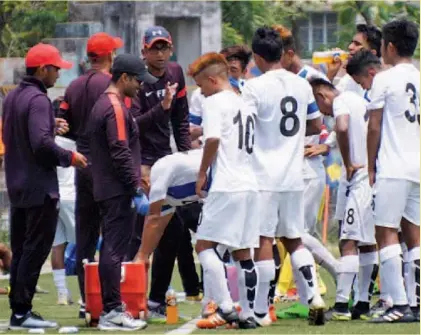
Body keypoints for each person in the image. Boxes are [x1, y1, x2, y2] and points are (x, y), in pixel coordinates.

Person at [242, 27, 325, 326]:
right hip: (294, 174)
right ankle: (313, 294)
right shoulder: (301, 85)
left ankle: (262, 310)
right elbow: (316, 124)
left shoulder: (253, 87)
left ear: (256, 56)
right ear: (281, 53)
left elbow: (246, 130)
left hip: (264, 175)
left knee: (263, 239)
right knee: (293, 238)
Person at [2, 43, 87, 330]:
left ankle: (18, 310)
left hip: (17, 184)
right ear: (42, 69)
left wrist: (50, 125)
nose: (57, 74)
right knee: (36, 250)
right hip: (40, 186)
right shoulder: (38, 99)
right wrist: (69, 157)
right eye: (54, 69)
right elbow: (40, 145)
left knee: (22, 249)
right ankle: (22, 310)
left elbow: (24, 135)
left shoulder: (13, 97)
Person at [188, 52, 259, 329]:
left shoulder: (215, 102)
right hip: (250, 185)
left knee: (204, 245)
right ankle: (249, 314)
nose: (201, 92)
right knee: (243, 253)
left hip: (227, 185)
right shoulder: (243, 103)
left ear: (213, 79)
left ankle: (227, 306)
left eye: (201, 85)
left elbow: (213, 138)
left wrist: (202, 171)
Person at [88, 54, 156, 331]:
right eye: (138, 80)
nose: (141, 85)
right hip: (117, 189)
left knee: (111, 249)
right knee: (114, 250)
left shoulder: (104, 104)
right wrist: (135, 188)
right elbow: (120, 150)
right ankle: (113, 310)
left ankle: (111, 309)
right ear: (124, 78)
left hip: (108, 187)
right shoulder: (114, 106)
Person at [58, 32, 124, 318]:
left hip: (81, 165)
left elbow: (66, 127)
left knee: (84, 238)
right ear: (109, 56)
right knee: (112, 235)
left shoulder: (72, 86)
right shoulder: (110, 86)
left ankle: (88, 302)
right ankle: (111, 303)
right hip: (106, 167)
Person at [129, 25, 191, 317]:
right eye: (155, 48)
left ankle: (154, 300)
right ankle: (126, 298)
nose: (161, 53)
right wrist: (162, 107)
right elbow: (132, 126)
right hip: (140, 161)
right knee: (137, 231)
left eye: (164, 47)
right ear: (144, 51)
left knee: (174, 229)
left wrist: (188, 156)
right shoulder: (135, 80)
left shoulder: (176, 73)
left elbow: (180, 119)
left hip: (166, 162)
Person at [275, 24, 340, 282]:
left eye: (276, 55)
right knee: (295, 232)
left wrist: (327, 144)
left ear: (289, 53)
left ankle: (338, 273)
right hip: (288, 168)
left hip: (308, 166)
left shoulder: (311, 79)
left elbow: (339, 115)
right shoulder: (279, 80)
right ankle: (314, 290)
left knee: (297, 232)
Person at [310, 78, 378, 321]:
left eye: (320, 106)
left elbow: (342, 126)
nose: (322, 112)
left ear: (321, 95)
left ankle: (340, 306)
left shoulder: (340, 102)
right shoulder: (357, 100)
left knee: (348, 242)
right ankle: (362, 302)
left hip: (356, 178)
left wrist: (348, 162)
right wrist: (327, 146)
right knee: (367, 242)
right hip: (366, 177)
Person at [366, 19, 419, 323]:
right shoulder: (419, 77)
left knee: (385, 231)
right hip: (417, 166)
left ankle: (397, 304)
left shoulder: (384, 79)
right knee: (414, 234)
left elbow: (374, 126)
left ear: (390, 47)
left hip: (393, 165)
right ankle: (416, 301)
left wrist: (371, 164)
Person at [52, 135, 77, 306]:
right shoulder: (76, 141)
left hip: (54, 196)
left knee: (57, 245)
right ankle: (88, 291)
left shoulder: (48, 141)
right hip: (72, 195)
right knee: (87, 243)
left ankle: (62, 292)